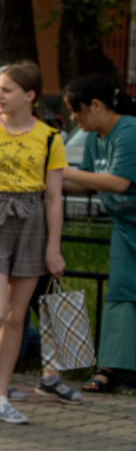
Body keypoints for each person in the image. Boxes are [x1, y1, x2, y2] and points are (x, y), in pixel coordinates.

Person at [0, 61, 72, 422]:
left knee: (15, 316)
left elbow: (54, 198)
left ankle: (1, 395)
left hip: (32, 222)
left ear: (30, 95)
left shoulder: (50, 137)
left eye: (7, 90)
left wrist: (53, 247)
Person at [64, 74, 136, 394]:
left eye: (76, 110)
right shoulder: (96, 138)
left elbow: (119, 182)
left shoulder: (129, 131)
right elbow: (89, 181)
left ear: (96, 105)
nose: (73, 118)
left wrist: (60, 170)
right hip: (124, 226)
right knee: (119, 293)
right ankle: (112, 367)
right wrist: (46, 180)